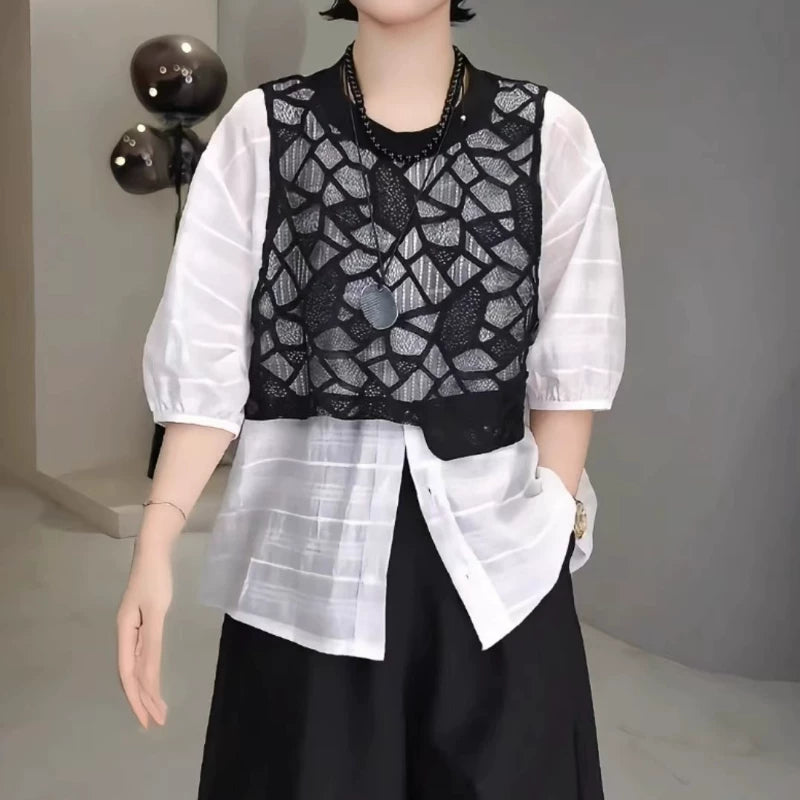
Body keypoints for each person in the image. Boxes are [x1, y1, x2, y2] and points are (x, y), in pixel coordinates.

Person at [116, 1, 626, 797]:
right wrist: (156, 539)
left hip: (499, 580)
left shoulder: (548, 134)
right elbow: (205, 353)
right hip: (305, 576)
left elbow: (575, 357)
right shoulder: (263, 132)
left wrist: (551, 521)